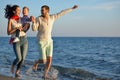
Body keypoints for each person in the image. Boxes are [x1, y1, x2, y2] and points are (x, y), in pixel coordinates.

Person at [31, 5, 78, 79]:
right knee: (43, 60)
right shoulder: (38, 19)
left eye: (43, 10)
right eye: (41, 10)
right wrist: (33, 22)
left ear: (47, 11)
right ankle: (36, 62)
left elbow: (62, 13)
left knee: (49, 60)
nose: (41, 11)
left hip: (49, 41)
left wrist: (71, 9)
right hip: (41, 41)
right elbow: (34, 29)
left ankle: (45, 75)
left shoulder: (52, 17)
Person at [4, 5, 29, 78]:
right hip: (16, 40)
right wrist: (16, 29)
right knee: (19, 58)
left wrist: (29, 21)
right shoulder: (11, 20)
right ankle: (13, 65)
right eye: (18, 10)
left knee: (23, 59)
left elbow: (28, 23)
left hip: (24, 39)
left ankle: (17, 72)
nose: (19, 11)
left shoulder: (22, 18)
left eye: (20, 10)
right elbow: (8, 32)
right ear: (14, 11)